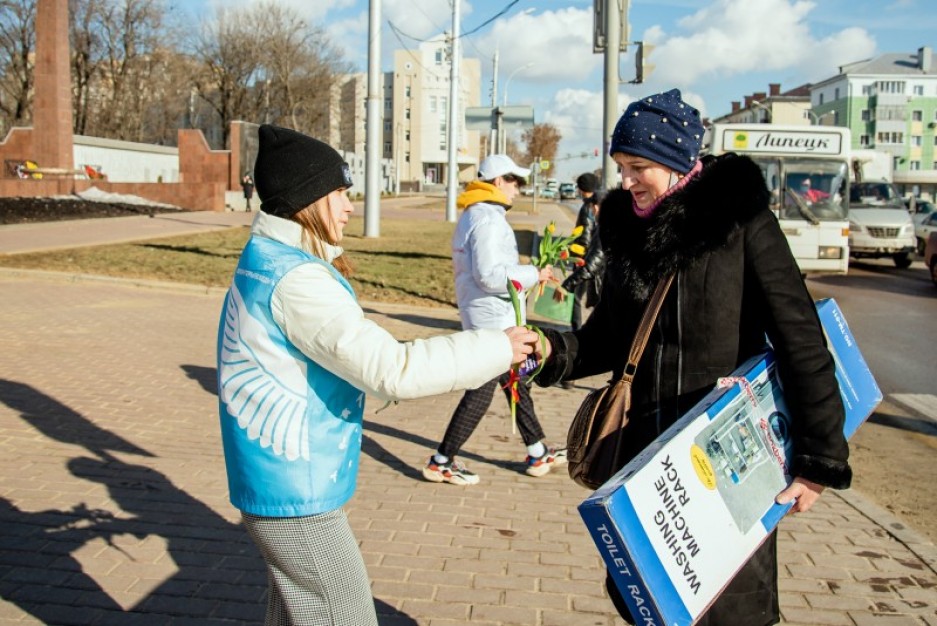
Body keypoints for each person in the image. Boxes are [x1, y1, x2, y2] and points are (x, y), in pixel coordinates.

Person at [531, 89, 852, 625]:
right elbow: (608, 337)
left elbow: (801, 341)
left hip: (726, 459)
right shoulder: (627, 228)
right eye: (620, 167)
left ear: (678, 161)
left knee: (725, 608)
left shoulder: (740, 224)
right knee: (650, 603)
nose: (626, 181)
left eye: (638, 167)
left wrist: (818, 461)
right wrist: (548, 350)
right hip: (648, 461)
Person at [215, 126, 540, 625]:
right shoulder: (298, 279)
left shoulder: (267, 259)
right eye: (340, 193)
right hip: (296, 492)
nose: (350, 207)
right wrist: (498, 346)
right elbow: (391, 370)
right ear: (307, 200)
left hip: (279, 482)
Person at [422, 154, 567, 485]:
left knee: (516, 381)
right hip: (494, 320)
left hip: (488, 315)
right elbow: (489, 275)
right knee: (483, 388)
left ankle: (537, 451)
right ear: (498, 181)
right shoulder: (487, 219)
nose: (518, 188)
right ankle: (441, 461)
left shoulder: (476, 214)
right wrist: (534, 273)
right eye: (514, 180)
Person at [560, 172, 606, 332]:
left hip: (584, 259)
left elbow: (585, 237)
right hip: (590, 261)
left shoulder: (589, 208)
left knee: (576, 298)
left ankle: (577, 331)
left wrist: (578, 257)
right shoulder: (596, 204)